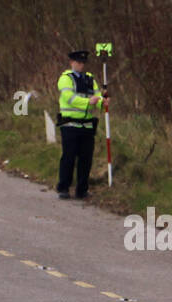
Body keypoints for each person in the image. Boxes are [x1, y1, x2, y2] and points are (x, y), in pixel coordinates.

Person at [56, 49, 105, 199]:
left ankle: (82, 190)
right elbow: (69, 98)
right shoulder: (65, 79)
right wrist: (87, 102)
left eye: (83, 63)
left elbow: (97, 97)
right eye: (78, 62)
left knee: (86, 159)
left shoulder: (90, 79)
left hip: (87, 125)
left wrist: (103, 103)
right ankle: (64, 187)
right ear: (72, 62)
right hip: (70, 124)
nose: (81, 65)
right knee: (69, 157)